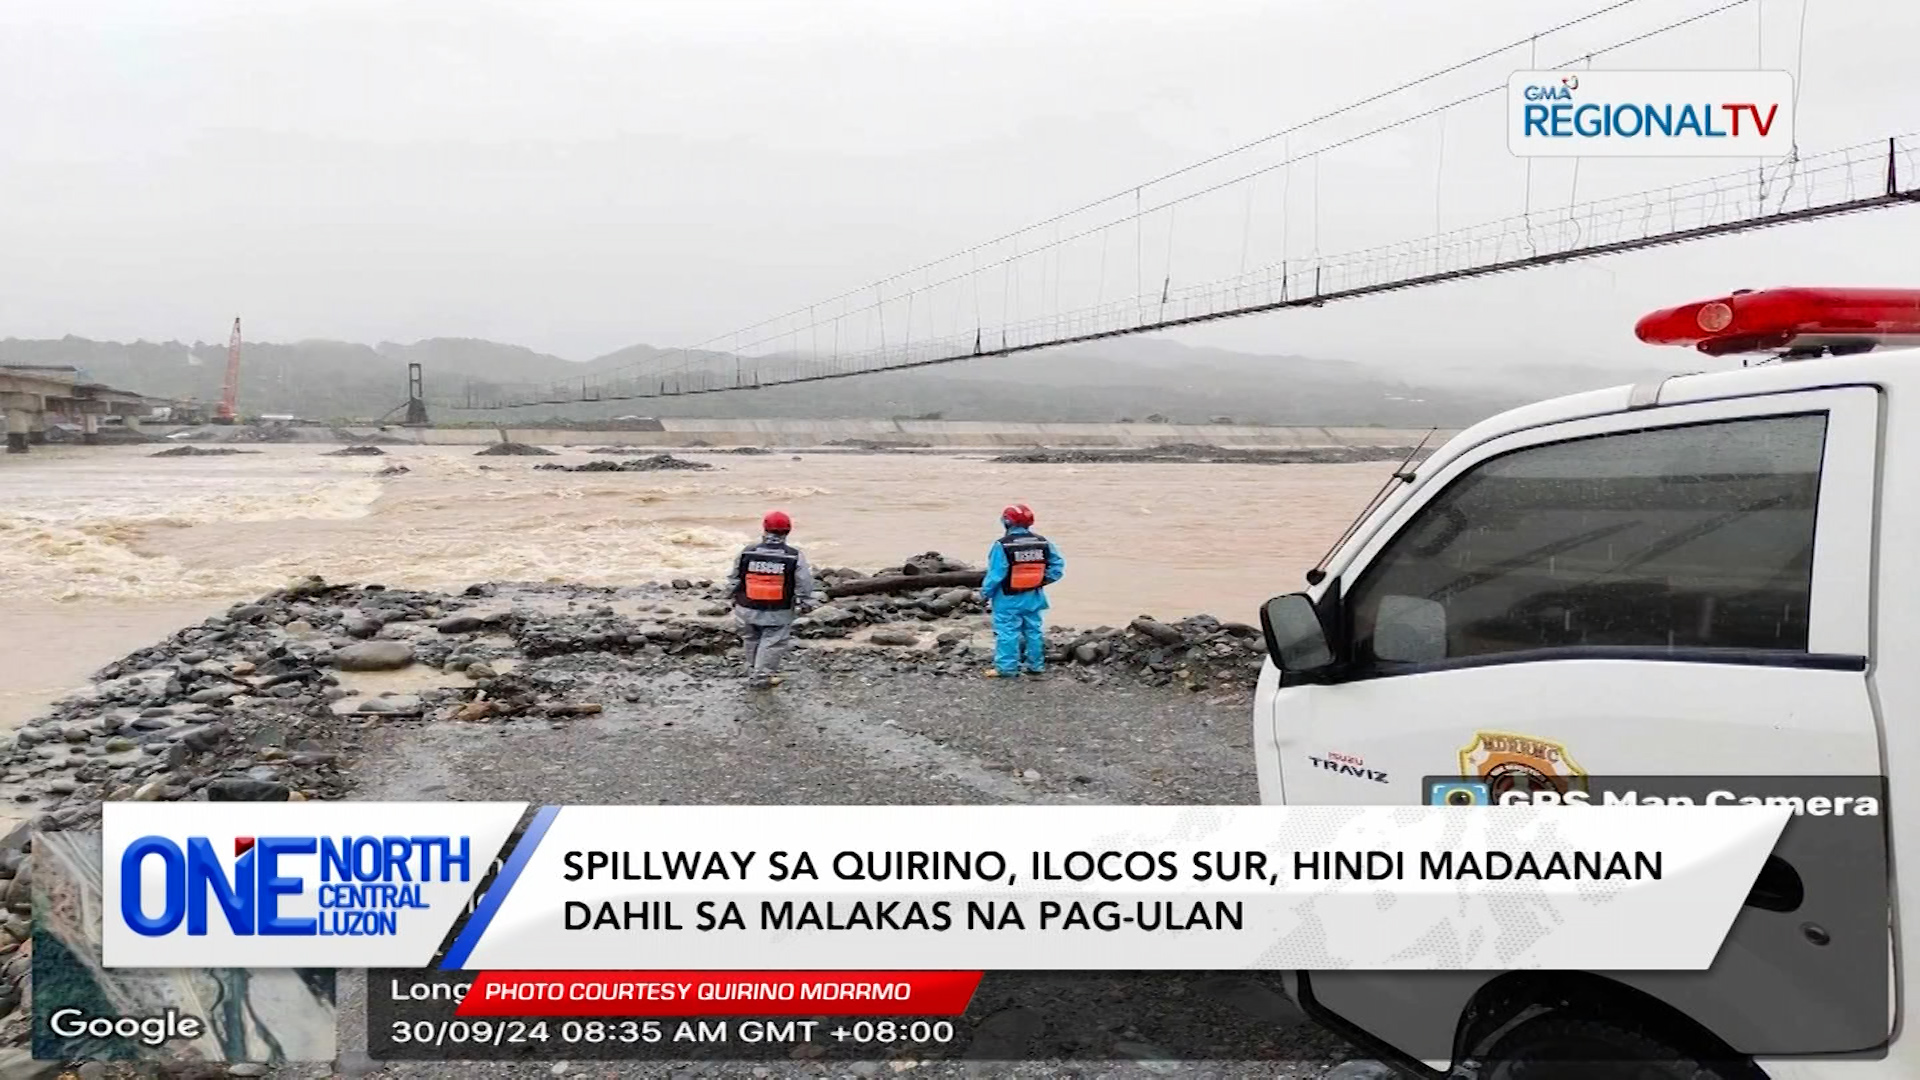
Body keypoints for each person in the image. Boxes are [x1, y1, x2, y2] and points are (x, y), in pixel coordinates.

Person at [725, 510, 815, 689]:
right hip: (778, 611)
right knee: (772, 642)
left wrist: (727, 597)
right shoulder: (793, 555)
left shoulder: (747, 551)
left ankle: (753, 670)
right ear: (788, 531)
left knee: (751, 638)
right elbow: (804, 583)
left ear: (764, 528)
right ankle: (762, 677)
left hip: (746, 607)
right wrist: (806, 602)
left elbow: (735, 577)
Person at [979, 503, 1064, 679]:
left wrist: (984, 593)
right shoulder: (1043, 542)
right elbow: (1057, 568)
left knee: (1007, 632)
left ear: (1007, 522)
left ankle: (1006, 668)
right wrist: (1041, 581)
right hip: (1034, 596)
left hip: (1007, 597)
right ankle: (1036, 665)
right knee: (1033, 630)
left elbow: (996, 574)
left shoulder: (1002, 545)